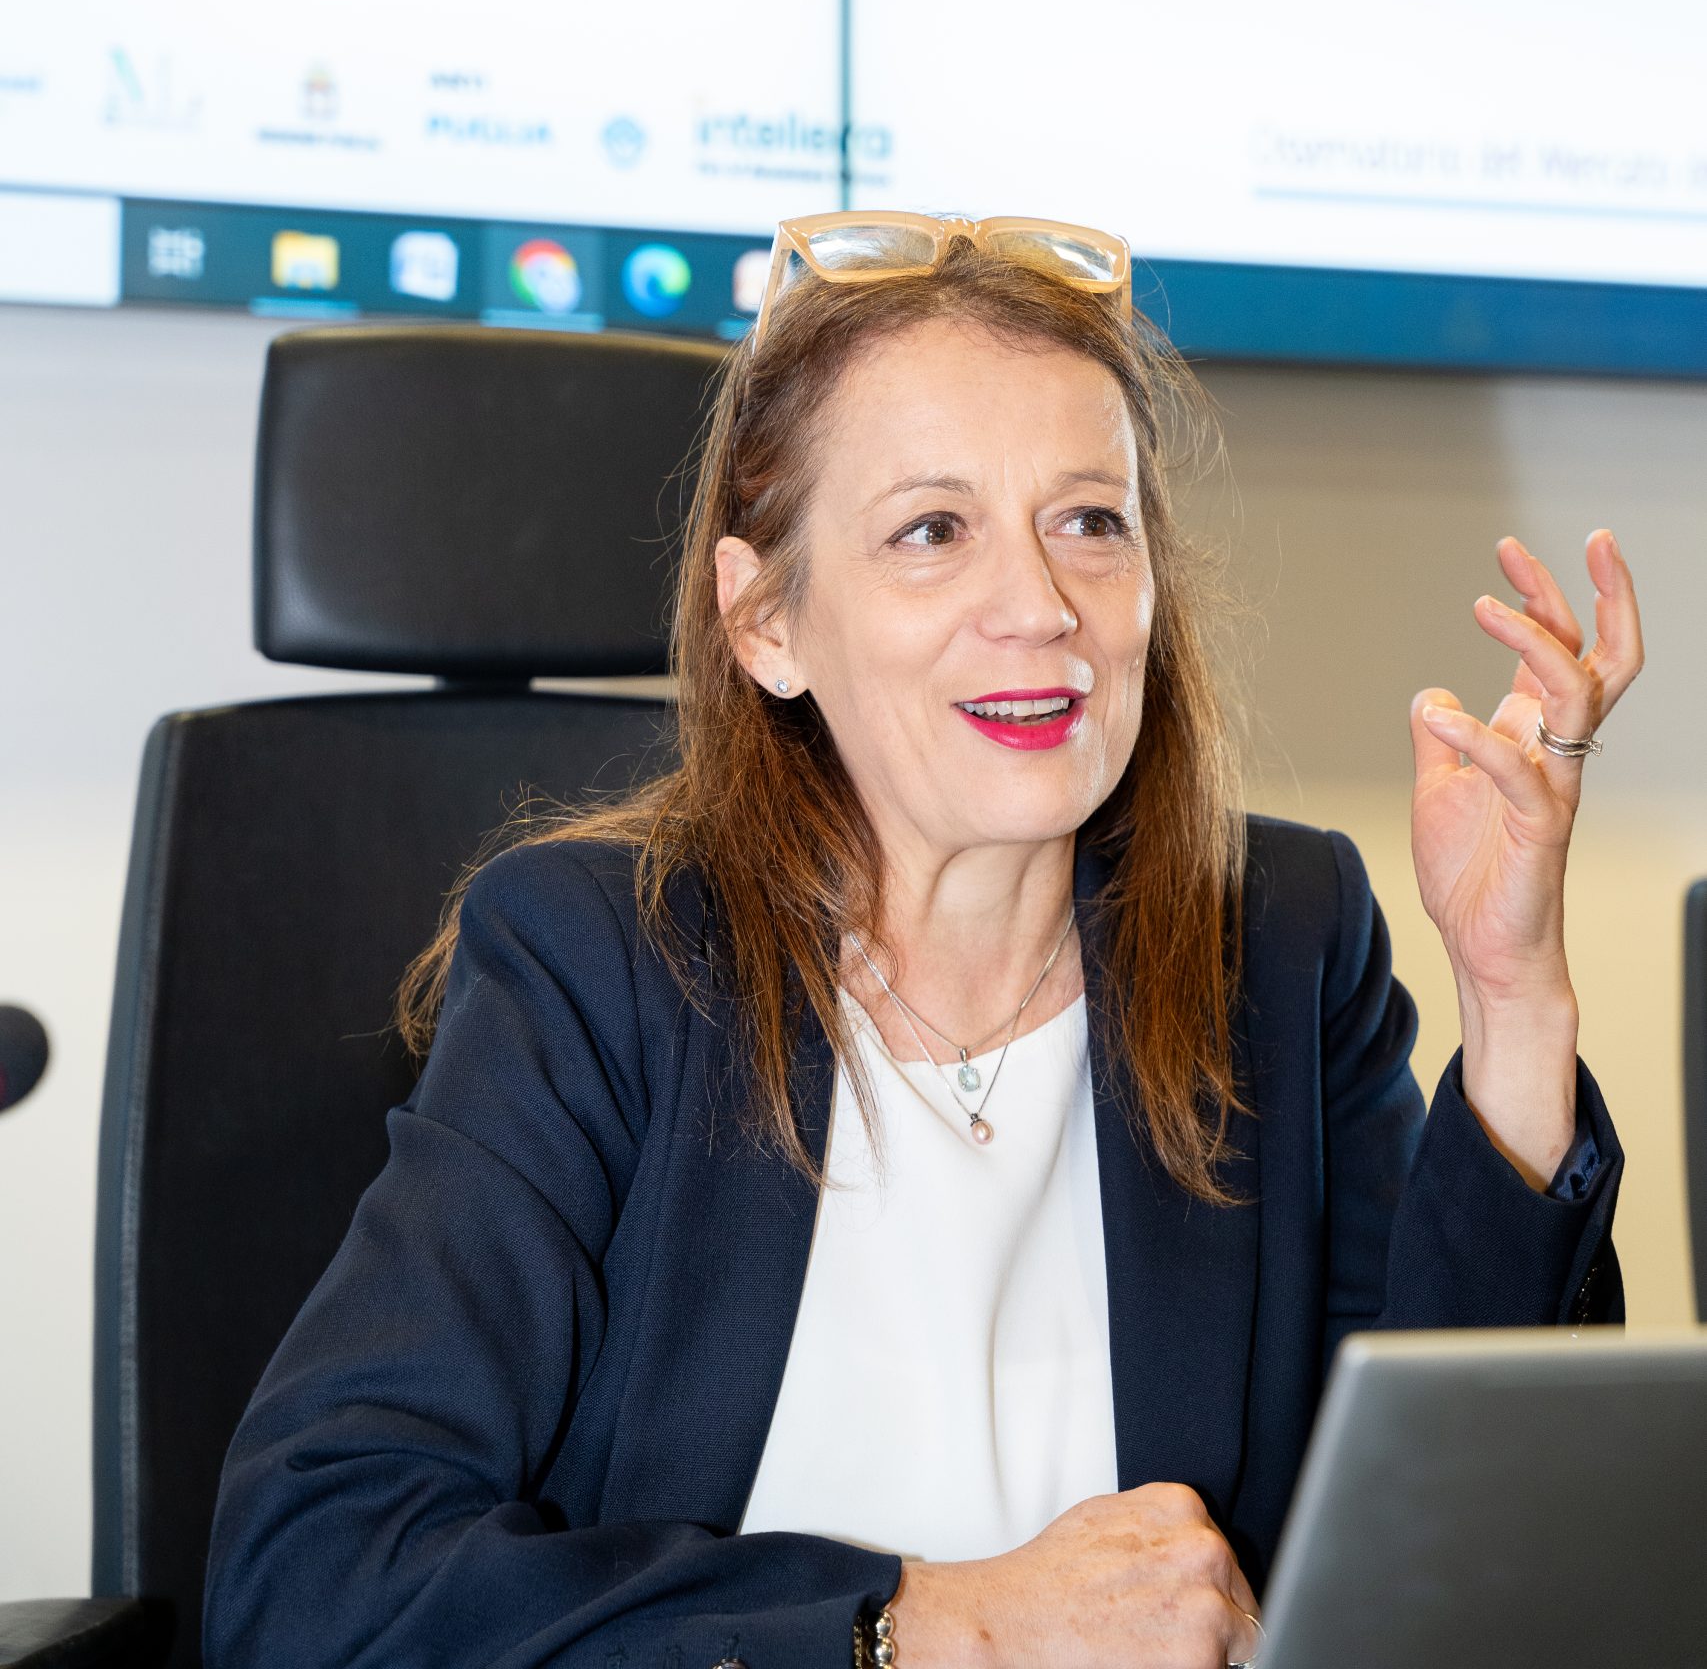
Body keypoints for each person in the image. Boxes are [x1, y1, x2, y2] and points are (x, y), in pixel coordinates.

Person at [203, 212, 1636, 1669]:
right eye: (932, 532)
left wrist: (1511, 994)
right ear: (767, 622)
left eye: (1091, 522)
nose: (1039, 609)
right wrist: (932, 1624)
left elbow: (1451, 1543)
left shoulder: (1281, 937)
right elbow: (315, 1572)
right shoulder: (598, 968)